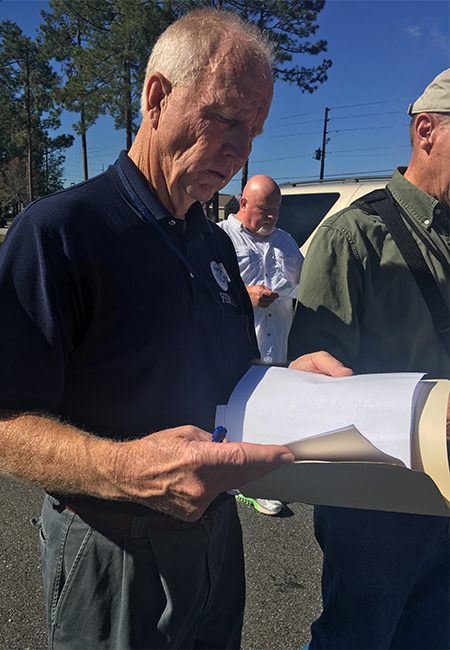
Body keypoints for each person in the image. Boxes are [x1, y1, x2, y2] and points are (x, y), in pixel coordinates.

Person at [0, 9, 352, 650]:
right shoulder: (60, 233)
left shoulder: (214, 246)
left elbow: (231, 375)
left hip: (217, 535)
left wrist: (285, 381)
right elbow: (5, 423)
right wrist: (122, 468)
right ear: (157, 97)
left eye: (255, 130)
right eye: (227, 118)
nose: (243, 149)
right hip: (110, 545)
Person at [289, 68, 450, 649]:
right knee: (358, 637)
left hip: (449, 489)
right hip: (380, 504)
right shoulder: (355, 236)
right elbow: (315, 382)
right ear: (426, 130)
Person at [219, 174, 303, 515]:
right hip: (236, 349)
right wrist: (244, 296)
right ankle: (238, 480)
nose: (270, 217)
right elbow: (204, 293)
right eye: (264, 209)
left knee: (269, 413)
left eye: (276, 211)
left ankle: (262, 477)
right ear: (242, 203)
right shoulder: (220, 238)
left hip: (276, 348)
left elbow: (302, 288)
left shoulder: (286, 243)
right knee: (233, 412)